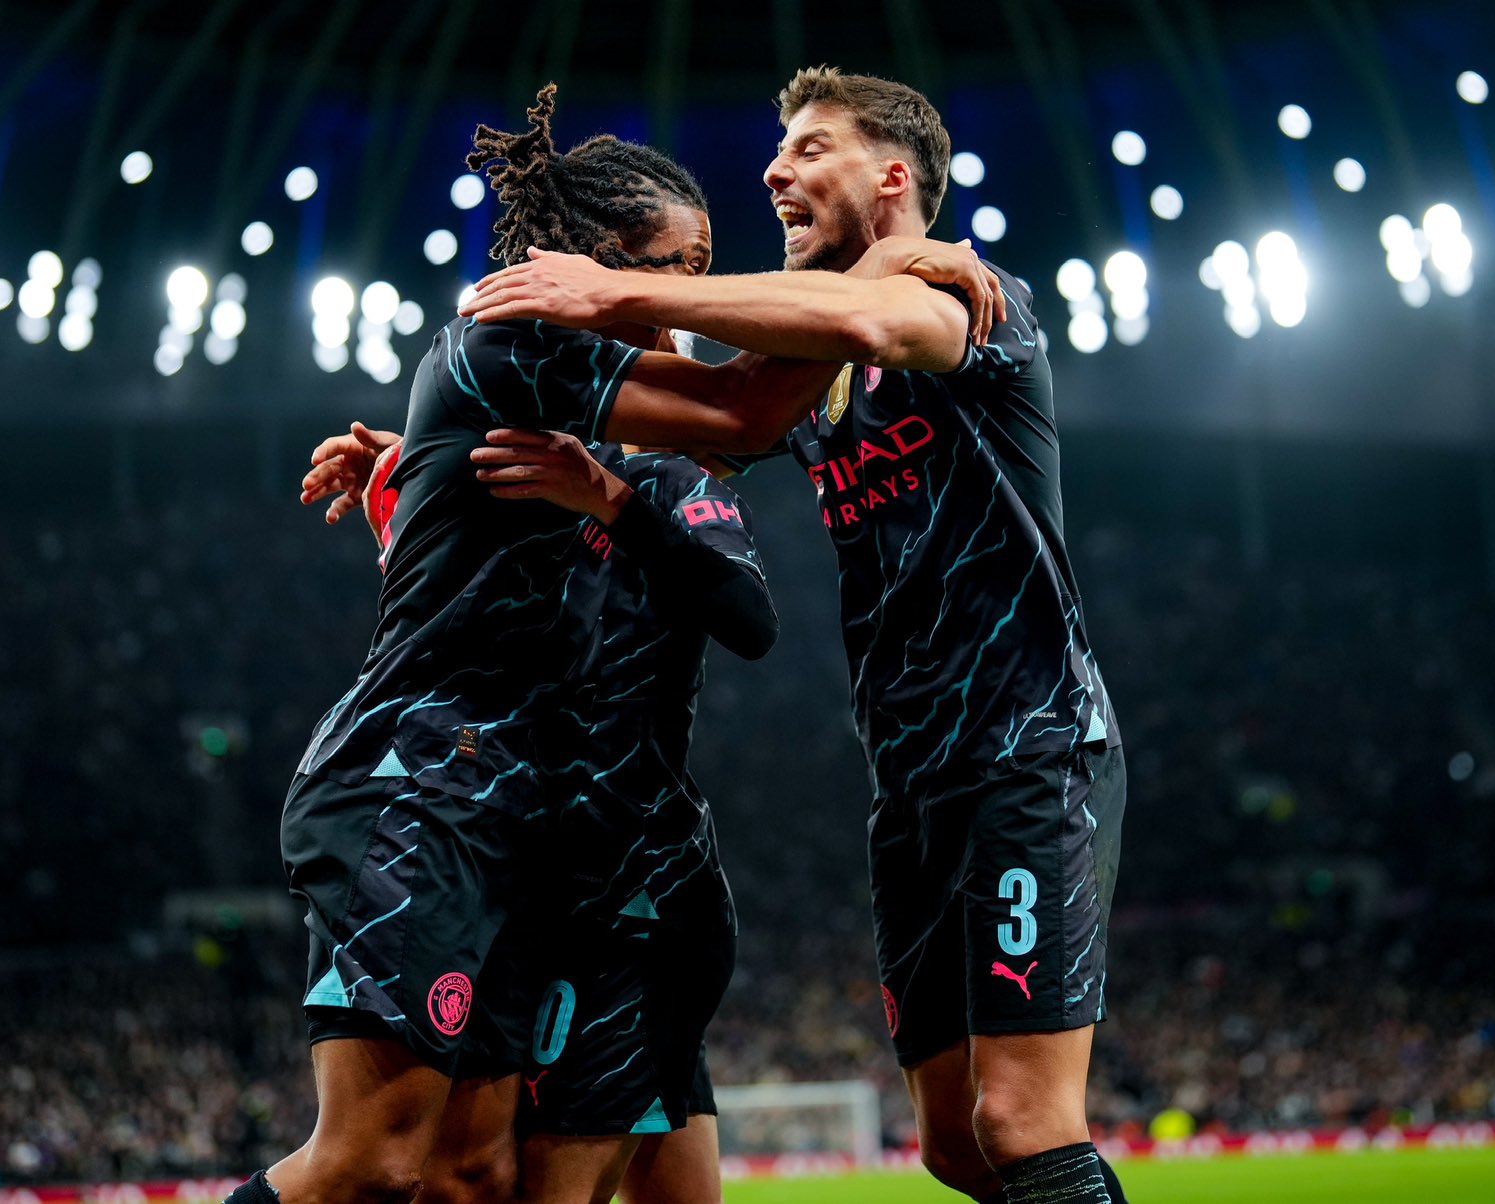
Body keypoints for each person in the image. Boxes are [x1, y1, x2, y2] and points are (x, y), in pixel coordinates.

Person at [240, 83, 924, 1204]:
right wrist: (869, 276)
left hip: (531, 831)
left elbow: (706, 586)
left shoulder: (605, 441)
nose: (674, 307)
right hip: (420, 793)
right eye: (664, 271)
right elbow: (746, 413)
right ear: (583, 267)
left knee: (469, 1175)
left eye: (697, 274)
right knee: (369, 1164)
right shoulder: (509, 343)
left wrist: (407, 481)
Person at [458, 67, 1129, 1204]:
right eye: (780, 150)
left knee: (1020, 1122)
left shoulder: (963, 299)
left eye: (811, 148)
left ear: (893, 176)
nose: (775, 169)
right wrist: (426, 452)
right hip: (909, 781)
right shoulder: (816, 378)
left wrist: (614, 288)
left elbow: (871, 317)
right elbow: (715, 417)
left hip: (1026, 749)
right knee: (953, 1144)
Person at [358, 429, 766, 1203]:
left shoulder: (666, 480)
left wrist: (611, 501)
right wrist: (409, 481)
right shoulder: (517, 486)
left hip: (633, 897)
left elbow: (751, 619)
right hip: (532, 889)